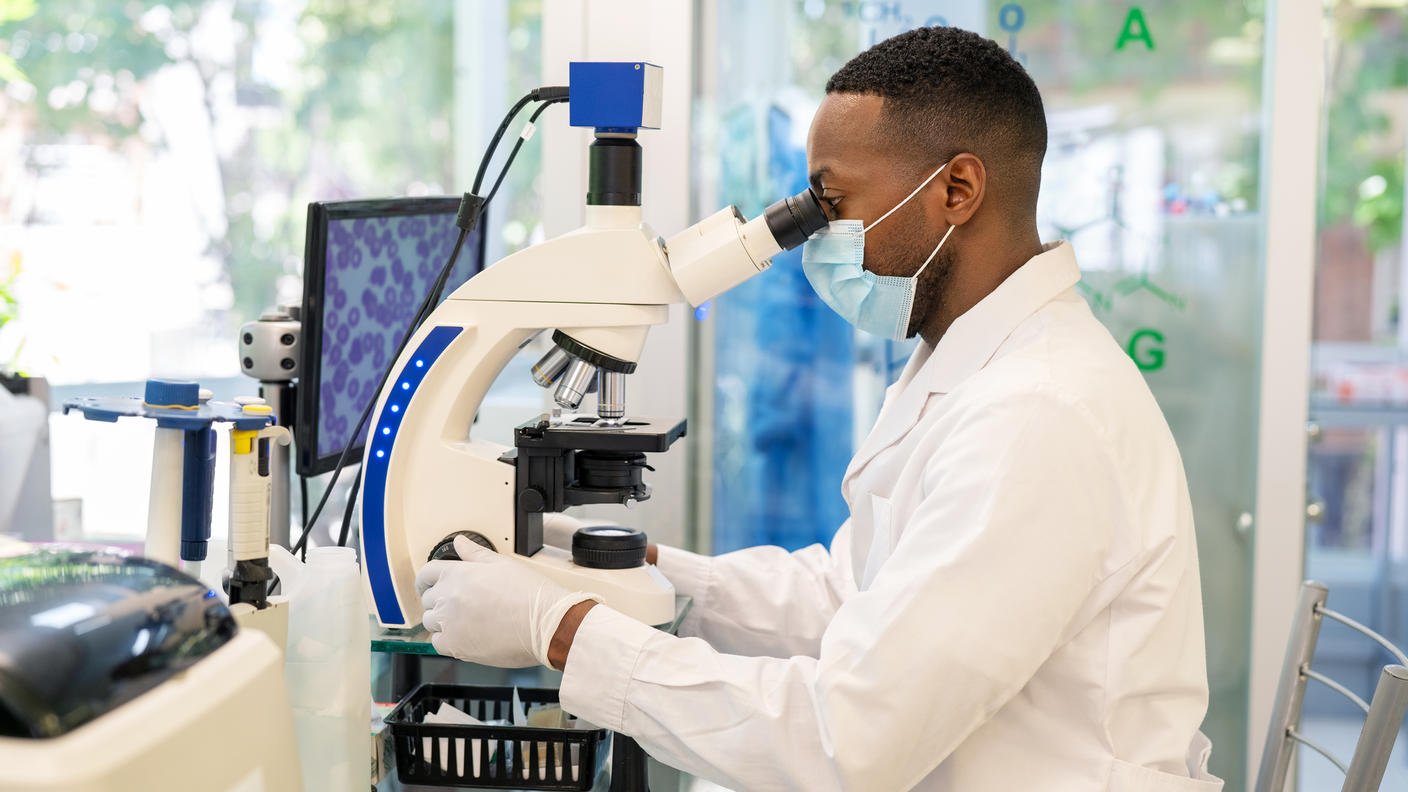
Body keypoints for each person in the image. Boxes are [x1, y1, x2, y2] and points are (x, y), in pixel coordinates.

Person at [416, 26, 1221, 791]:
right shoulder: (970, 359)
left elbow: (851, 741)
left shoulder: (1037, 415)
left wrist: (559, 628)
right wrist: (646, 569)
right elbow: (856, 599)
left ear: (958, 189)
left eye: (833, 205)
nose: (819, 234)